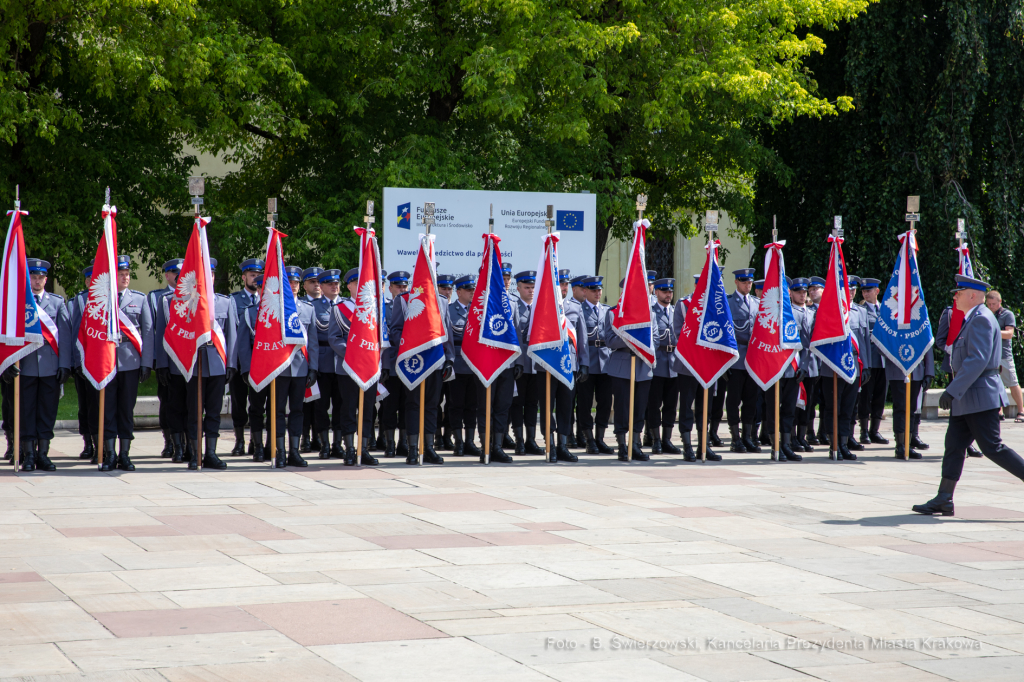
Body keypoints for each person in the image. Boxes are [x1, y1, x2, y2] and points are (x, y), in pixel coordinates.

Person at [914, 275, 1024, 515]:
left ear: (972, 295)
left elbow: (977, 360)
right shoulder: (972, 318)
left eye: (959, 292)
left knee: (993, 448)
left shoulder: (981, 319)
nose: (955, 296)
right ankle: (944, 498)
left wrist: (952, 390)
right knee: (953, 445)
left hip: (980, 396)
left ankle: (944, 497)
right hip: (968, 398)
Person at [152, 258, 238, 469]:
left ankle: (211, 453)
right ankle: (195, 453)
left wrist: (231, 365)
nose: (207, 278)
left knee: (214, 412)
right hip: (191, 363)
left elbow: (232, 336)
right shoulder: (180, 301)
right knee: (193, 411)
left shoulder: (226, 302)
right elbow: (168, 335)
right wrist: (162, 364)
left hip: (217, 363)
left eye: (210, 274)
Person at [230, 276, 317, 468]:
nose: (293, 286)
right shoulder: (251, 312)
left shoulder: (304, 309)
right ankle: (263, 447)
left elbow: (313, 342)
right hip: (262, 367)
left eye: (296, 282)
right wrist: (246, 368)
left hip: (296, 367)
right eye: (262, 287)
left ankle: (291, 451)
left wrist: (313, 368)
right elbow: (243, 345)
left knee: (295, 410)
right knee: (259, 409)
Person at [3, 259, 72, 472]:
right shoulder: (17, 303)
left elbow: (65, 337)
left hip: (50, 368)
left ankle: (43, 454)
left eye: (41, 277)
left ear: (46, 280)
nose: (37, 280)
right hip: (25, 367)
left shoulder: (58, 303)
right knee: (26, 413)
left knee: (47, 412)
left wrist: (64, 365)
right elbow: (6, 336)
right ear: (28, 278)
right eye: (33, 276)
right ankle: (29, 455)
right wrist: (6, 364)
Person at [384, 274, 455, 465]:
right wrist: (412, 345)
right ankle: (413, 449)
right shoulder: (404, 299)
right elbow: (396, 330)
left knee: (432, 405)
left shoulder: (441, 301)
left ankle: (429, 447)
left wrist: (449, 359)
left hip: (435, 360)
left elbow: (446, 332)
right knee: (413, 404)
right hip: (413, 362)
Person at [325, 267, 380, 466]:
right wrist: (354, 354)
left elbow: (383, 337)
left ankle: (363, 449)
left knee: (367, 409)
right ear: (349, 286)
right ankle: (349, 450)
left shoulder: (375, 308)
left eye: (365, 283)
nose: (361, 286)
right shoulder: (340, 309)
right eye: (357, 283)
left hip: (370, 367)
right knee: (348, 408)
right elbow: (334, 338)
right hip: (347, 367)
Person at [533, 270, 588, 463]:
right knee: (547, 406)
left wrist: (584, 364)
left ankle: (562, 445)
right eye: (560, 284)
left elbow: (582, 339)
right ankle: (550, 444)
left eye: (565, 285)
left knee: (566, 406)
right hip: (546, 365)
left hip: (567, 365)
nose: (563, 288)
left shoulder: (575, 307)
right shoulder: (540, 306)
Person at [814, 274, 870, 460]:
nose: (852, 292)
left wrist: (867, 365)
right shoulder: (828, 310)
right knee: (832, 408)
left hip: (853, 365)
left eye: (854, 289)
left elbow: (864, 342)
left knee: (848, 407)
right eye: (848, 288)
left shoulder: (860, 312)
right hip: (833, 367)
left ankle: (844, 444)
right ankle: (834, 445)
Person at [762, 277, 811, 462]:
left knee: (789, 409)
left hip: (793, 369)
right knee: (773, 409)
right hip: (774, 370)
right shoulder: (768, 313)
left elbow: (805, 343)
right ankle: (775, 447)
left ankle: (786, 445)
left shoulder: (795, 314)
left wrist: (804, 366)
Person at [147, 258, 182, 459]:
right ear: (167, 275)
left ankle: (184, 441)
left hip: (185, 360)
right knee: (167, 402)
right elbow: (154, 330)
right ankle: (169, 441)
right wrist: (156, 361)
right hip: (166, 359)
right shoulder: (157, 298)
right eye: (174, 273)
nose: (178, 277)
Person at [228, 258, 264, 456]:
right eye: (252, 275)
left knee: (258, 403)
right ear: (244, 277)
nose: (256, 279)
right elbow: (234, 333)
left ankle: (255, 441)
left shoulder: (267, 300)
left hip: (263, 362)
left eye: (259, 275)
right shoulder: (234, 300)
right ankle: (240, 440)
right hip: (242, 360)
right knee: (239, 401)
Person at [575, 276, 614, 454]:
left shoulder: (607, 311)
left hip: (605, 362)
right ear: (585, 291)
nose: (598, 293)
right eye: (593, 290)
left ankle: (600, 438)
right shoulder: (579, 310)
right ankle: (588, 438)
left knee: (605, 402)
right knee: (584, 403)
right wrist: (582, 363)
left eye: (599, 290)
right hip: (587, 361)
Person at [447, 274, 484, 458]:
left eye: (473, 290)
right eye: (468, 290)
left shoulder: (479, 310)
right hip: (458, 363)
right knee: (456, 405)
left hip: (475, 364)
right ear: (458, 292)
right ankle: (458, 442)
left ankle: (470, 441)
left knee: (473, 405)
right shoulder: (449, 310)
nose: (471, 293)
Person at [726, 268, 760, 452]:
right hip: (736, 357)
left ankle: (747, 437)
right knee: (733, 400)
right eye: (744, 282)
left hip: (753, 358)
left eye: (750, 282)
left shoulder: (756, 303)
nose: (748, 285)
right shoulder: (729, 303)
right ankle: (735, 438)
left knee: (751, 399)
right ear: (737, 282)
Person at [312, 268, 344, 458]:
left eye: (336, 283)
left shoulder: (348, 306)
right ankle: (324, 444)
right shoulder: (314, 307)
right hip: (322, 363)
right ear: (322, 287)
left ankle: (338, 444)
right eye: (330, 284)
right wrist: (313, 367)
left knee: (341, 404)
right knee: (321, 406)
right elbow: (313, 339)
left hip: (342, 362)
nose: (334, 286)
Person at [646, 278, 680, 455]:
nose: (668, 295)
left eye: (670, 292)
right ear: (656, 293)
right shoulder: (650, 312)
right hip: (657, 363)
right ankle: (656, 440)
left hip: (673, 364)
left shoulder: (676, 312)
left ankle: (667, 439)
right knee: (654, 404)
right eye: (664, 291)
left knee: (671, 405)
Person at [510, 270, 542, 455]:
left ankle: (531, 440)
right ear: (519, 288)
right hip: (520, 363)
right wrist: (518, 362)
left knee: (532, 403)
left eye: (533, 287)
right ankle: (519, 441)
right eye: (527, 287)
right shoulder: (514, 306)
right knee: (517, 403)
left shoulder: (540, 307)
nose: (531, 291)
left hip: (536, 363)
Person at [379, 271, 411, 457]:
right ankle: (389, 443)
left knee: (407, 405)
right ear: (390, 288)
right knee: (390, 406)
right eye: (398, 286)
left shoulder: (412, 304)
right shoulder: (383, 307)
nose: (402, 289)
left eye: (404, 286)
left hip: (408, 364)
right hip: (390, 363)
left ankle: (403, 443)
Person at [857, 278, 888, 444]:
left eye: (869, 290)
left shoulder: (886, 309)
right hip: (870, 360)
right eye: (863, 291)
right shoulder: (861, 310)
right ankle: (864, 431)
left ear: (877, 291)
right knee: (866, 396)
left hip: (884, 361)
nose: (865, 293)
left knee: (880, 396)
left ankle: (875, 430)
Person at [985, 290, 1023, 421]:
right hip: (990, 356)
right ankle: (999, 411)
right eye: (988, 304)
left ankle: (1021, 411)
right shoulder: (986, 314)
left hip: (1004, 355)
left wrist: (992, 331)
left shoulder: (1008, 314)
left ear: (1000, 302)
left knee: (1012, 383)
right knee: (995, 383)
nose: (991, 307)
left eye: (993, 304)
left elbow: (1009, 334)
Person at [791, 276, 818, 452]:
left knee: (808, 404)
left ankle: (802, 437)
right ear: (791, 293)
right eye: (798, 292)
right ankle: (792, 437)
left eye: (804, 292)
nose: (802, 295)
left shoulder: (813, 313)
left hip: (812, 366)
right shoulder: (789, 313)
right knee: (793, 402)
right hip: (795, 364)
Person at [299, 267, 324, 452]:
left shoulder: (329, 304)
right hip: (304, 360)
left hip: (325, 361)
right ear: (304, 286)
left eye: (318, 282)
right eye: (312, 282)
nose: (316, 285)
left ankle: (318, 438)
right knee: (304, 402)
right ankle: (304, 438)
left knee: (320, 403)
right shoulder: (299, 305)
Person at [434, 273, 456, 451]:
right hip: (434, 362)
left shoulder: (456, 307)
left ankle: (448, 436)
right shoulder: (435, 306)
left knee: (452, 402)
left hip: (452, 362)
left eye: (450, 289)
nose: (447, 292)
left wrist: (451, 360)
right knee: (434, 401)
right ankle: (436, 436)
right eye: (444, 288)